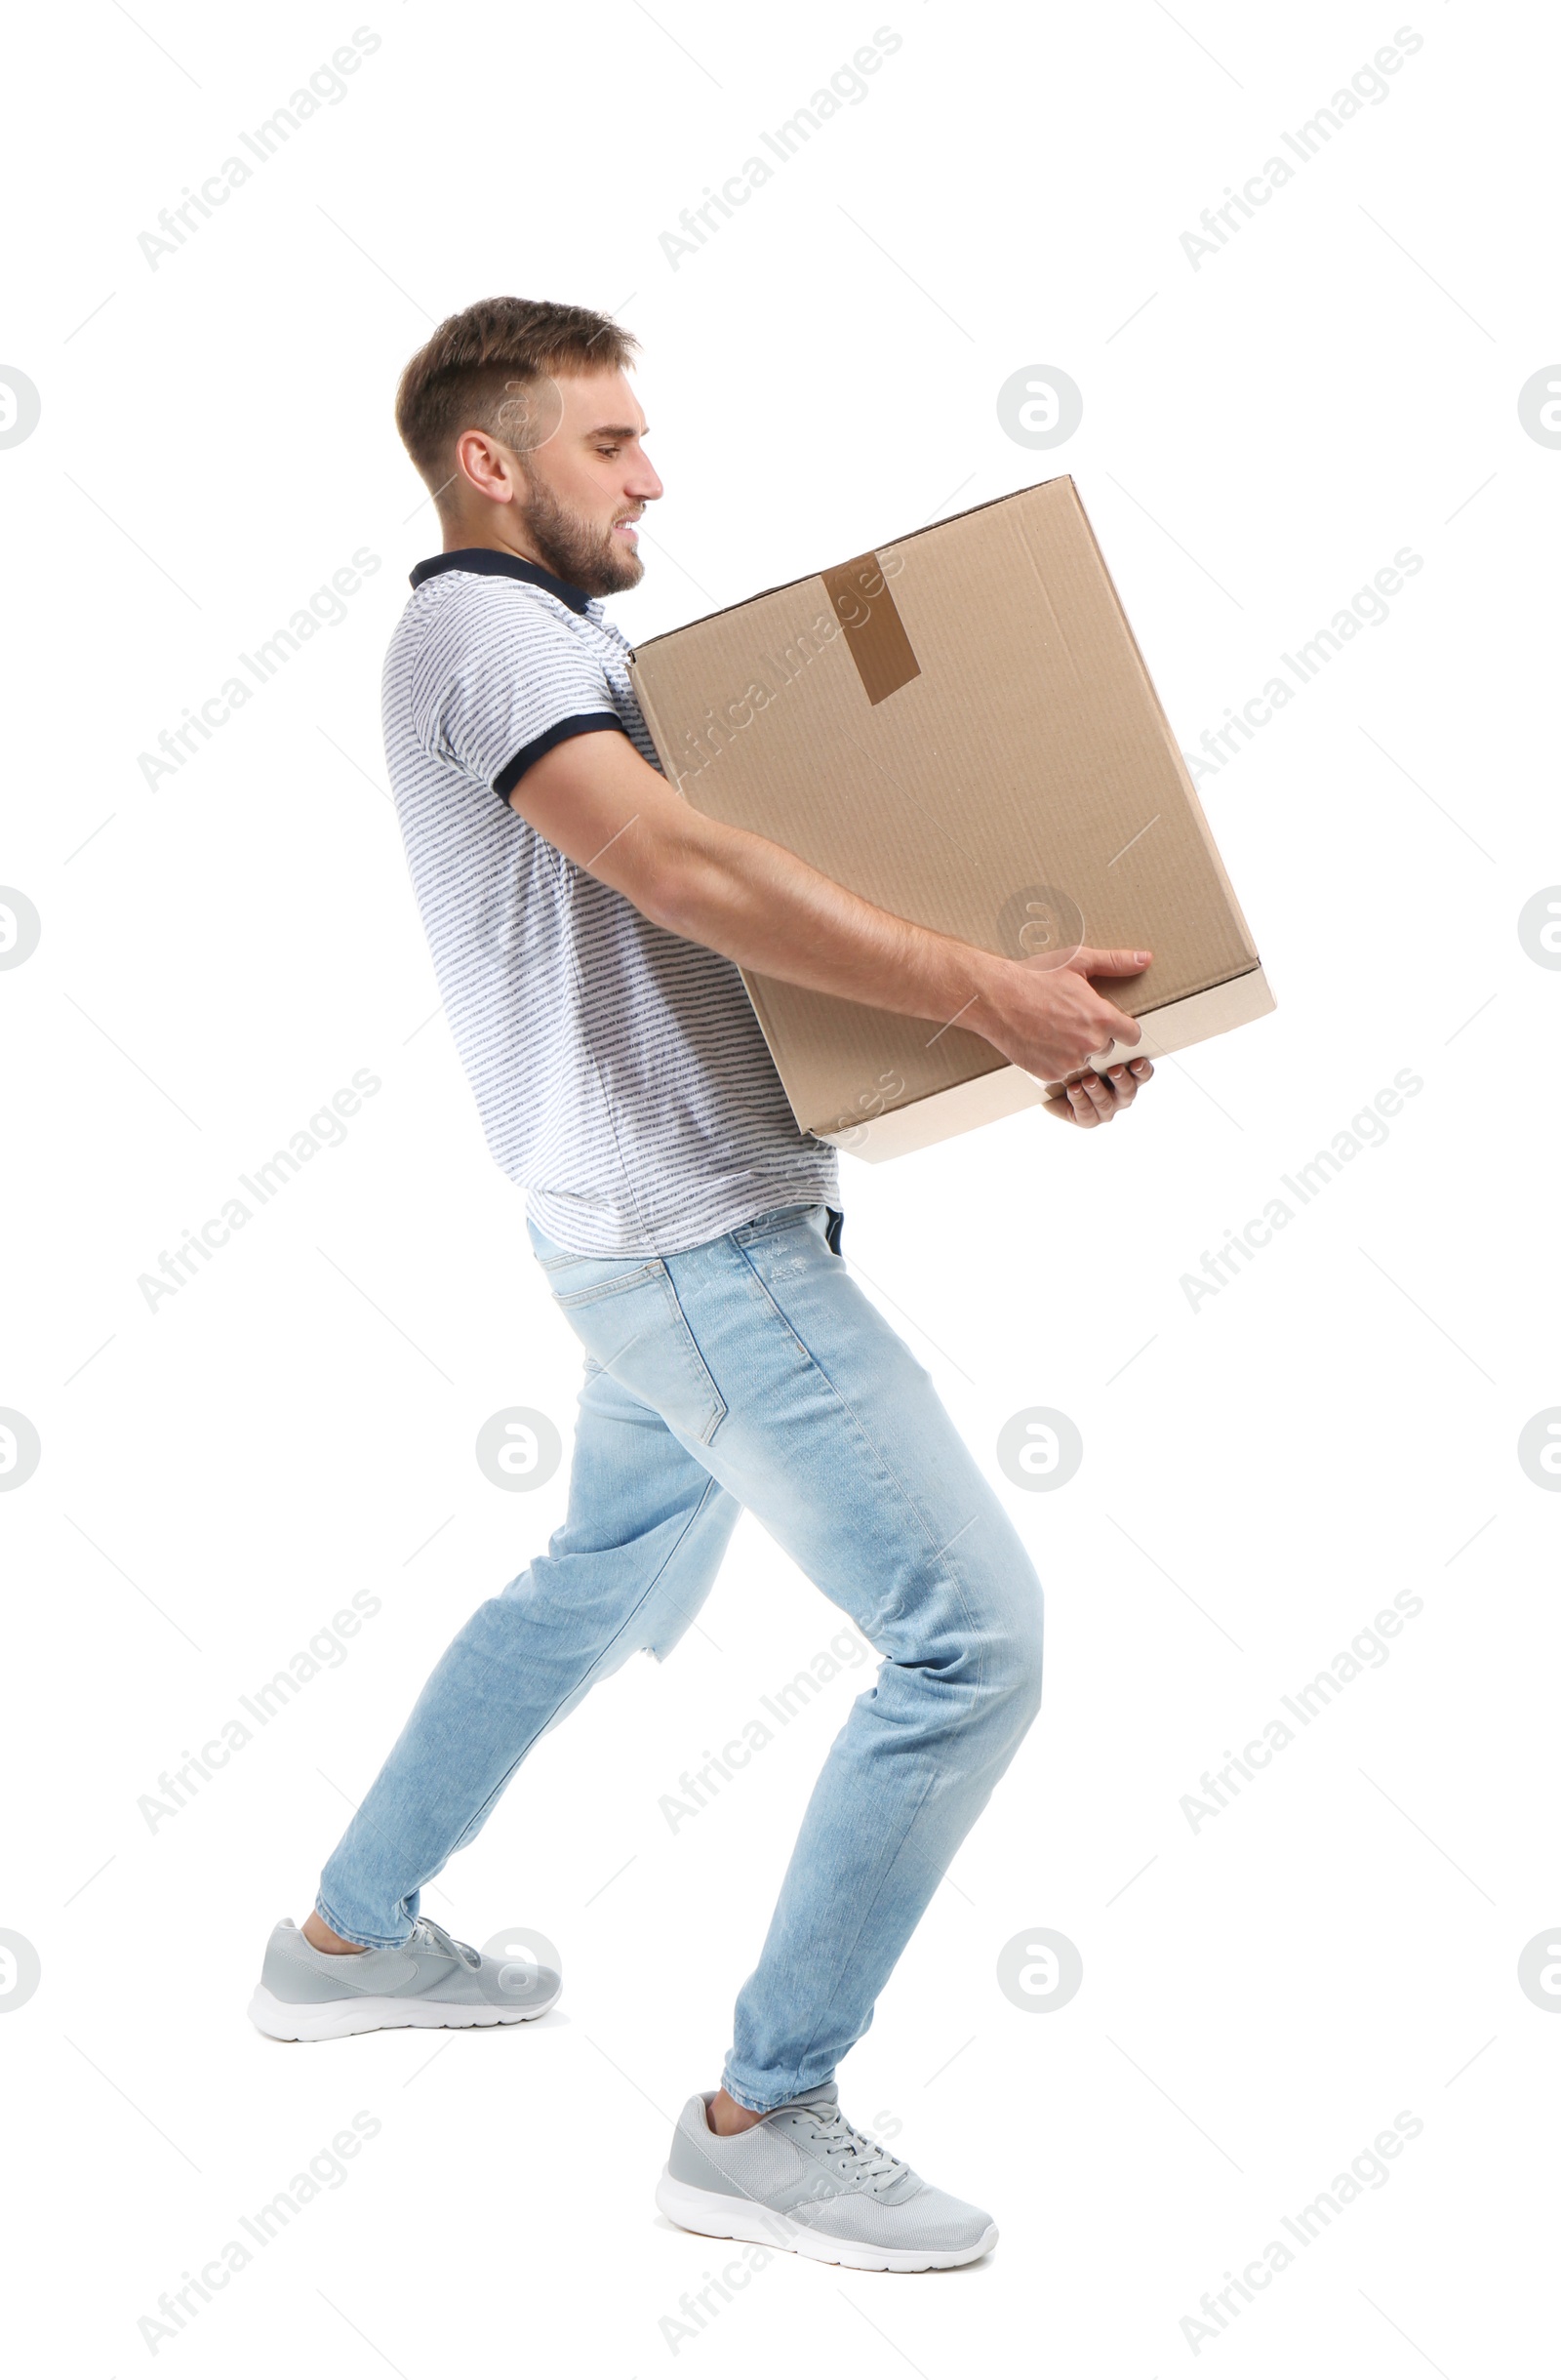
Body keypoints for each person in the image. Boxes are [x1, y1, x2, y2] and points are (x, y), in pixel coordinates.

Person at [248, 297, 1154, 2272]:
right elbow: (672, 866)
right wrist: (983, 987)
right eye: (609, 442)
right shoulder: (482, 630)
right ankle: (765, 2114)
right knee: (968, 1642)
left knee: (585, 1580)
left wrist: (1000, 1035)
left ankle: (348, 1935)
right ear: (491, 460)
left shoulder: (572, 642)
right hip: (691, 1246)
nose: (650, 471)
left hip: (651, 1222)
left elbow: (716, 933)